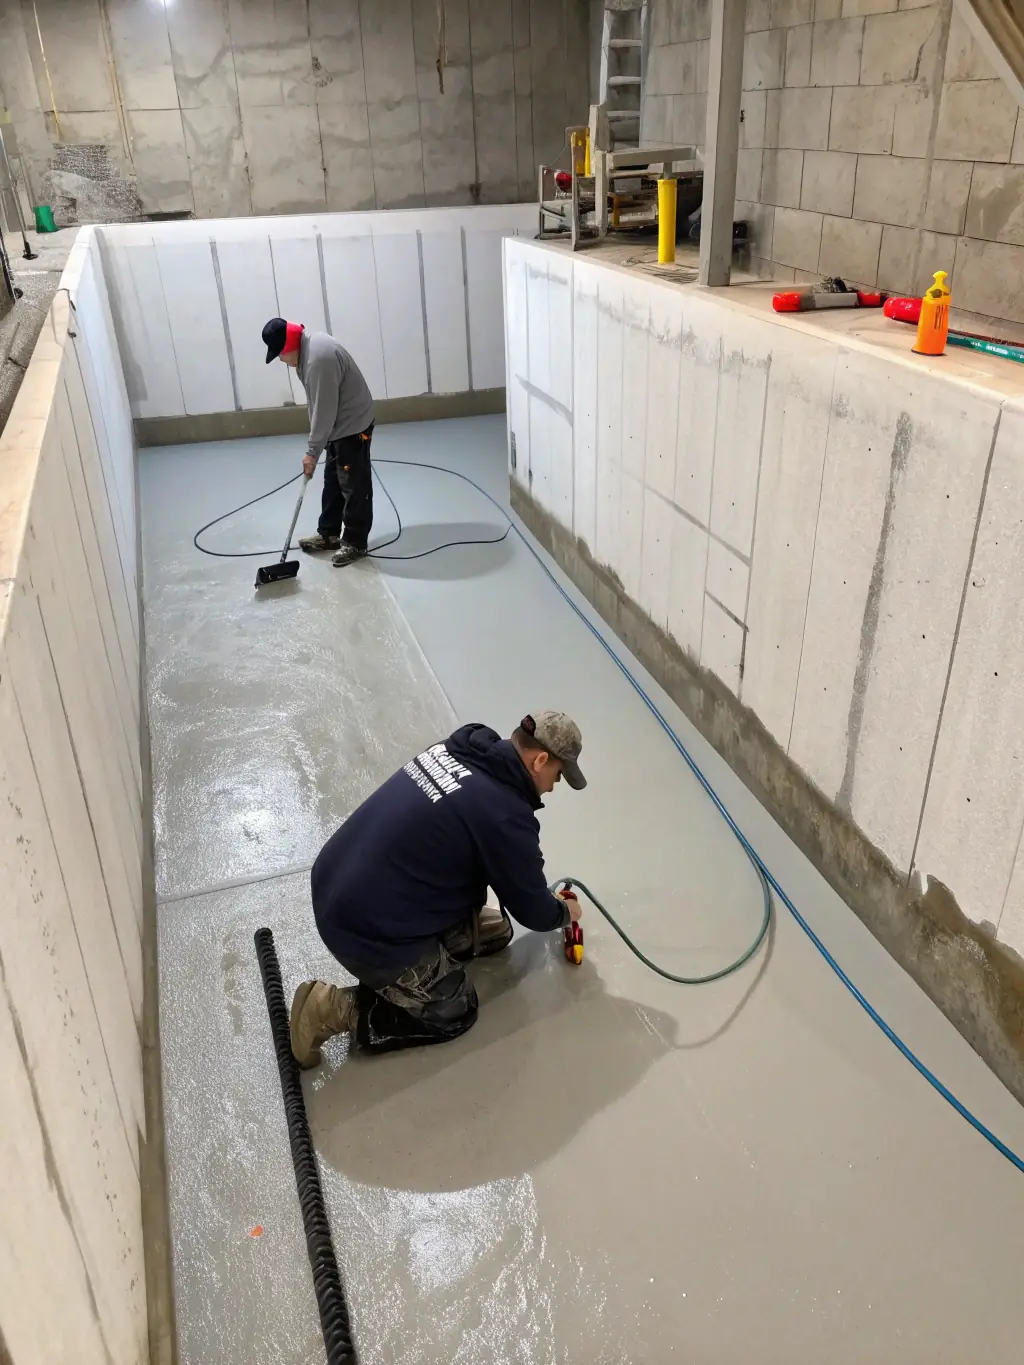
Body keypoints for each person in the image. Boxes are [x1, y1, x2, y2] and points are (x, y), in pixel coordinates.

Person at [290, 712, 587, 1063]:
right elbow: (534, 912)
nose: (553, 787)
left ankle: (453, 937)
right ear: (540, 760)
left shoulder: (459, 750)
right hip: (362, 927)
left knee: (496, 930)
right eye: (557, 775)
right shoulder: (505, 816)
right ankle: (331, 1009)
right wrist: (564, 913)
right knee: (454, 1008)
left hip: (335, 879)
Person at [262, 317, 375, 568]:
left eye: (280, 354)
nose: (281, 360)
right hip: (338, 425)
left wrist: (312, 452)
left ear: (289, 346)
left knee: (353, 485)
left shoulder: (317, 361)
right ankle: (329, 534)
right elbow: (317, 406)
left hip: (352, 425)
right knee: (333, 480)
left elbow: (324, 411)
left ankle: (356, 542)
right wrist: (317, 444)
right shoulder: (307, 350)